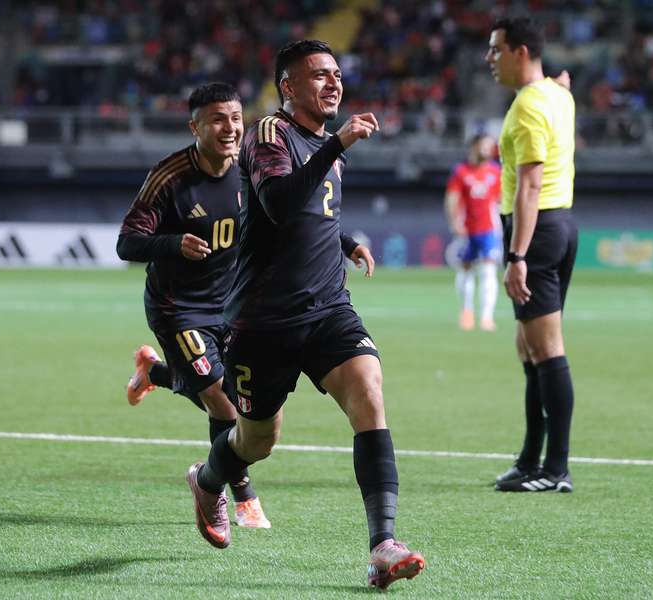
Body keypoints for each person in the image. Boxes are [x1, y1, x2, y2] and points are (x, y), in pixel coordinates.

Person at [183, 40, 425, 590]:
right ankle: (209, 477)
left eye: (337, 74)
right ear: (288, 87)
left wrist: (344, 240)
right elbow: (278, 203)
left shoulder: (321, 145)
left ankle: (382, 544)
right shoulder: (271, 133)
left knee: (369, 390)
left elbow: (309, 216)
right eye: (319, 76)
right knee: (256, 441)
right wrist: (337, 143)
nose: (333, 83)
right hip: (263, 321)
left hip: (327, 309)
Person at [117, 82, 374, 529]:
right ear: (194, 126)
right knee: (223, 404)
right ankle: (237, 496)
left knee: (232, 398)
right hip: (180, 309)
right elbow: (127, 242)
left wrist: (345, 242)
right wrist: (174, 243)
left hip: (237, 304)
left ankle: (156, 373)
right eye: (217, 119)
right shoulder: (169, 176)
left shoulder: (252, 165)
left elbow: (295, 211)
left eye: (236, 118)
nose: (230, 128)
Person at [485, 17, 578, 493]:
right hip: (555, 224)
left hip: (536, 231)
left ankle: (555, 469)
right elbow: (561, 84)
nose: (489, 59)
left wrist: (516, 255)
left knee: (546, 348)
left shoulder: (527, 109)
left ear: (520, 52)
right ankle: (530, 459)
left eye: (496, 49)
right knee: (529, 347)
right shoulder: (557, 95)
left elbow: (530, 183)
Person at [444, 134, 501, 331]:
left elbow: (502, 200)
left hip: (489, 229)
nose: (488, 149)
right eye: (484, 145)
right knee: (465, 269)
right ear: (474, 147)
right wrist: (454, 221)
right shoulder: (461, 172)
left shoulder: (496, 172)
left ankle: (486, 317)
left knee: (488, 270)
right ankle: (467, 312)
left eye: (490, 146)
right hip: (467, 230)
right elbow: (452, 198)